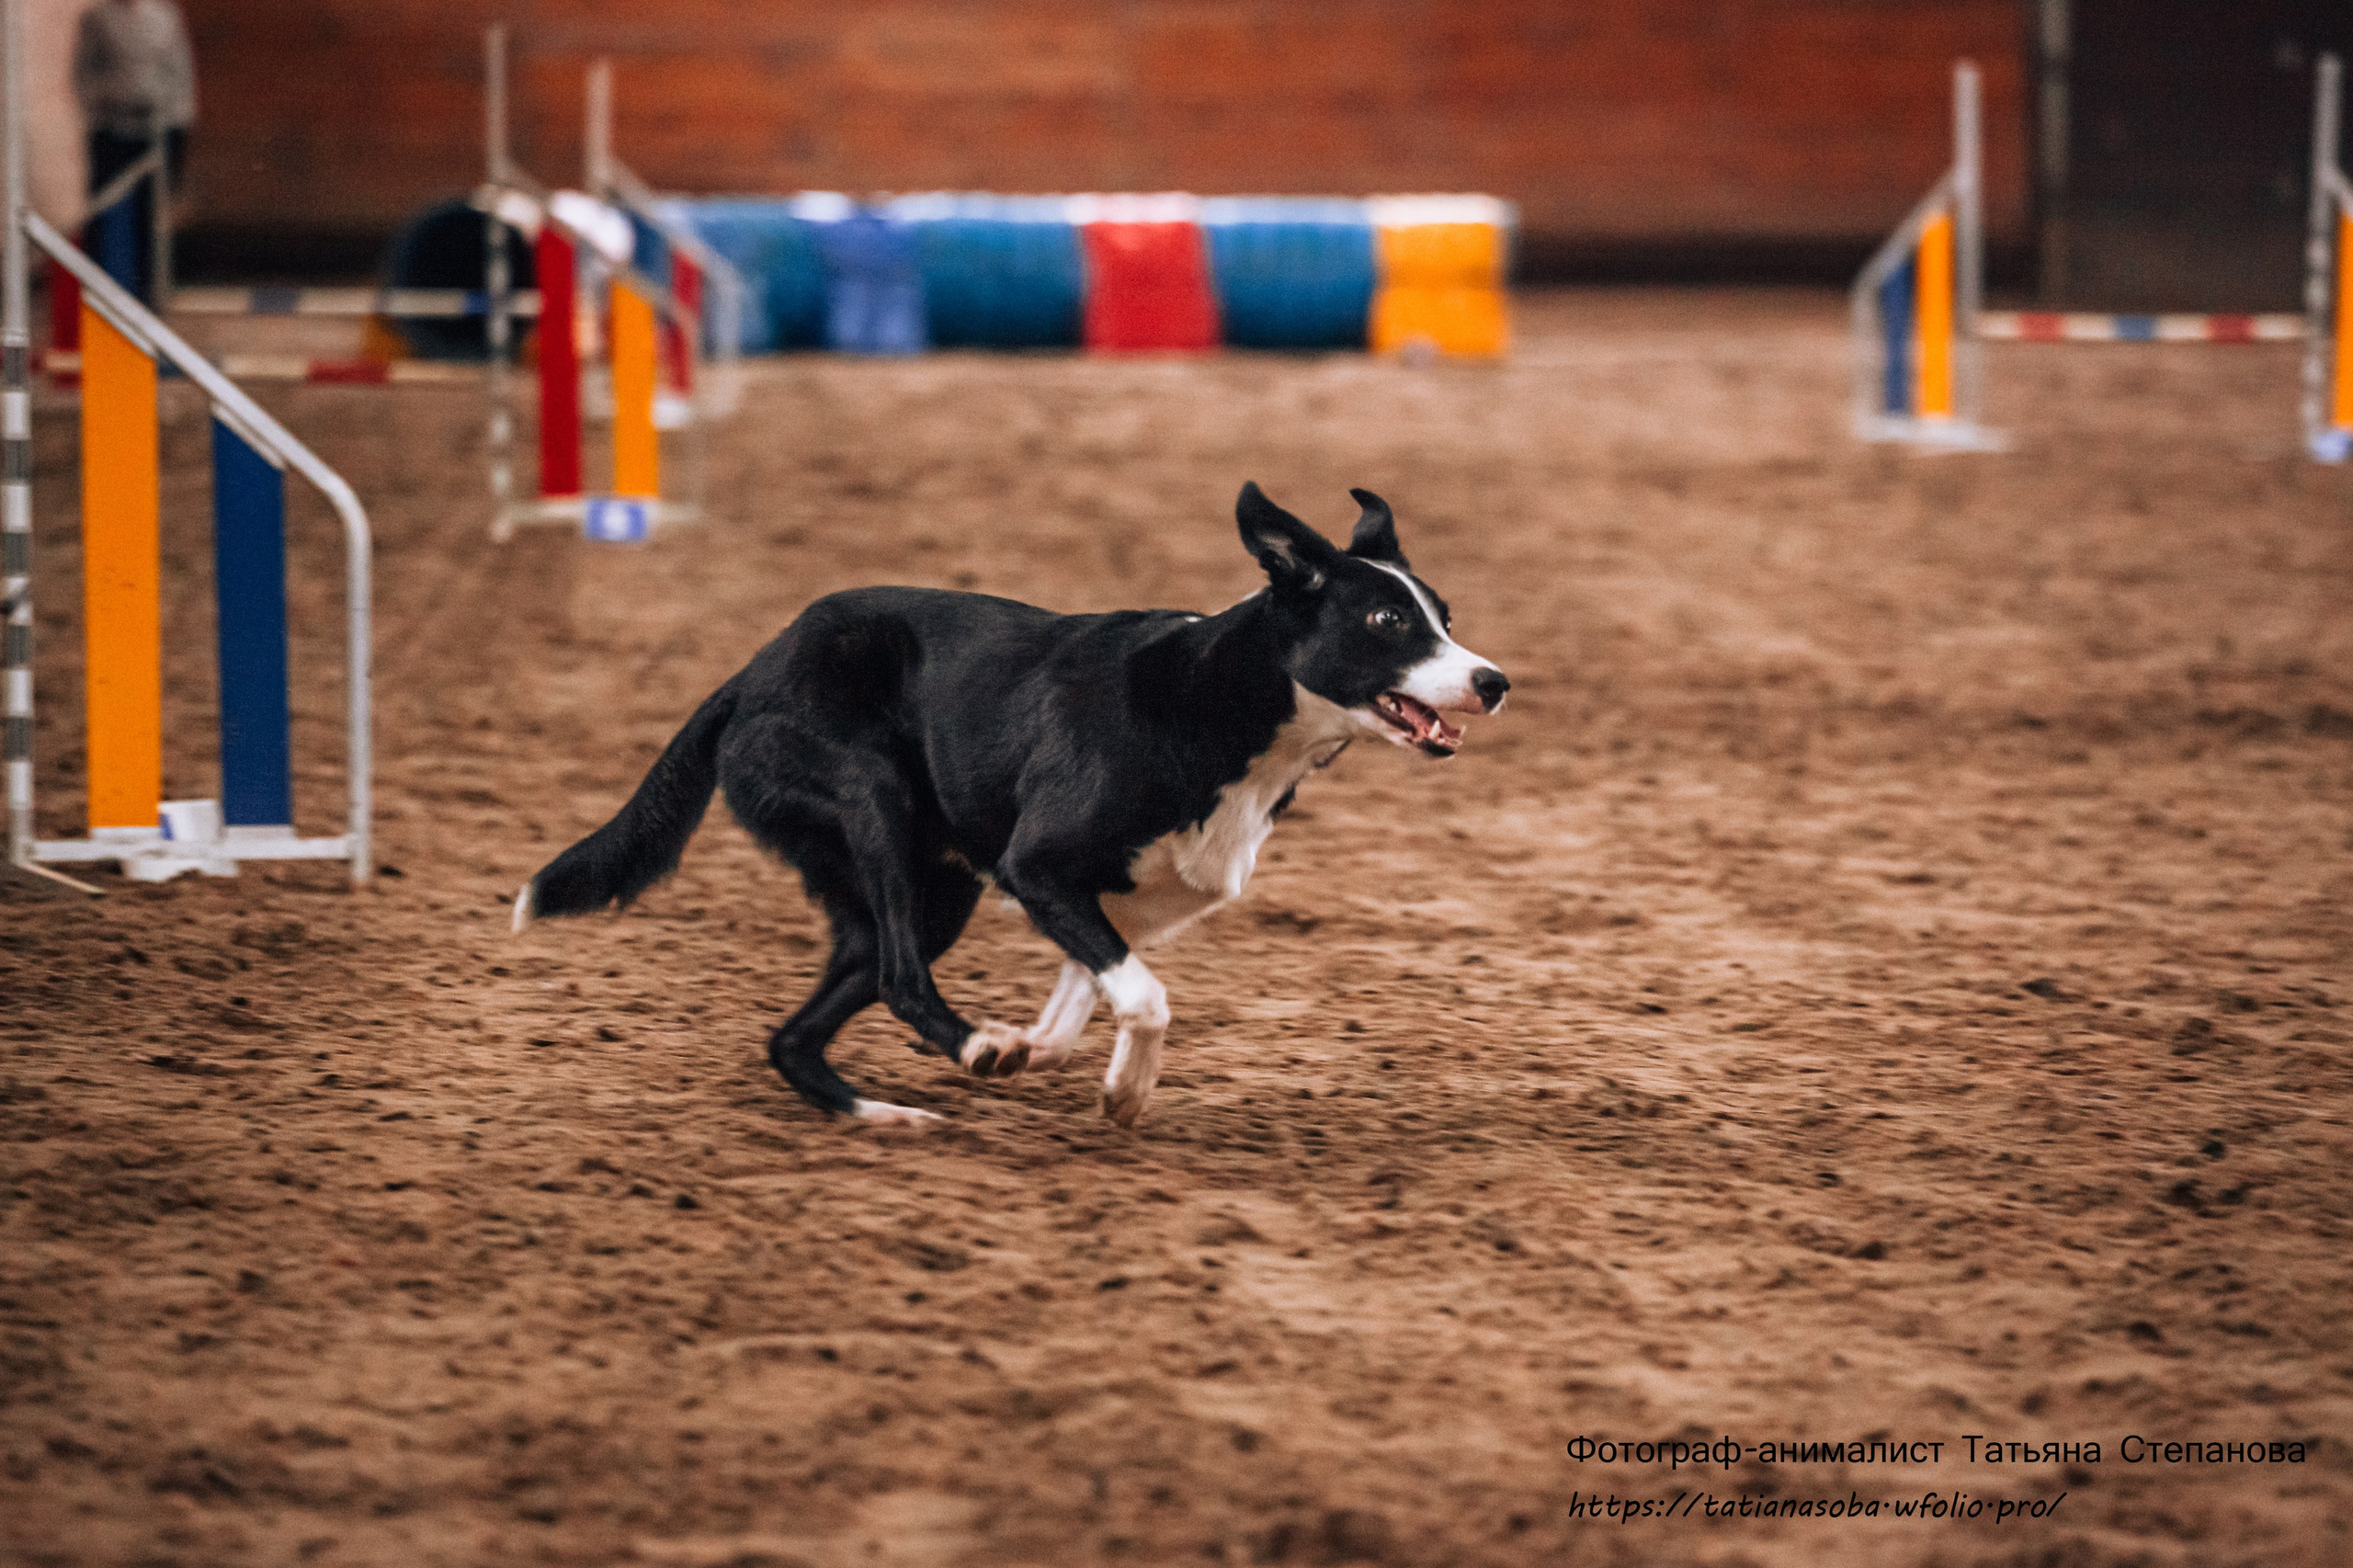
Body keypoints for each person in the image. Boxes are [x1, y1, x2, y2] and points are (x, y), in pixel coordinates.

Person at [72, 0, 194, 303]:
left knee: (150, 215)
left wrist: (180, 121)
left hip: (155, 130)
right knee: (102, 210)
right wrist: (100, 107)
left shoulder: (164, 17)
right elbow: (83, 72)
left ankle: (149, 294)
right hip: (112, 128)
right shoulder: (97, 19)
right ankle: (98, 295)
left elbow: (180, 71)